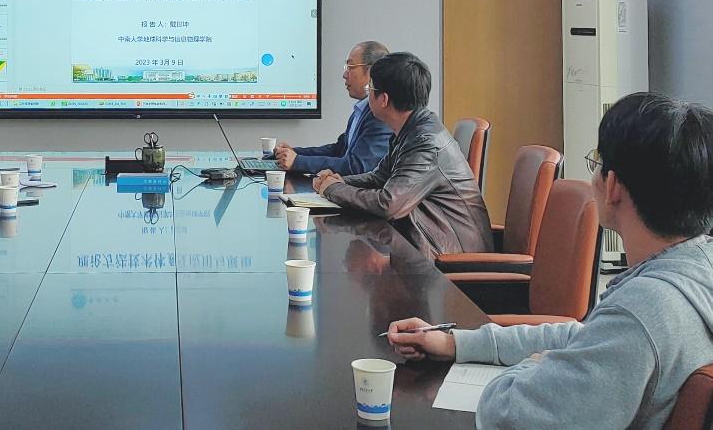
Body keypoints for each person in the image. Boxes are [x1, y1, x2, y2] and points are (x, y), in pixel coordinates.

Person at [386, 92, 713, 429]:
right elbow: (584, 337)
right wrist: (457, 342)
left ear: (613, 185)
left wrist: (539, 364)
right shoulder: (693, 271)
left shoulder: (641, 314)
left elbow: (508, 416)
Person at [312, 52, 491, 258]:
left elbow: (388, 204)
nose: (368, 96)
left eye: (370, 90)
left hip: (456, 259)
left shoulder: (425, 143)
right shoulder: (411, 130)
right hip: (434, 247)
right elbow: (380, 177)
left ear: (383, 99)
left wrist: (333, 189)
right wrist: (339, 181)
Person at [274, 40, 392, 175]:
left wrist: (298, 161)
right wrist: (294, 153)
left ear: (372, 71)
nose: (345, 75)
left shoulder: (380, 115)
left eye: (350, 67)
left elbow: (357, 166)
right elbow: (339, 150)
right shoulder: (362, 109)